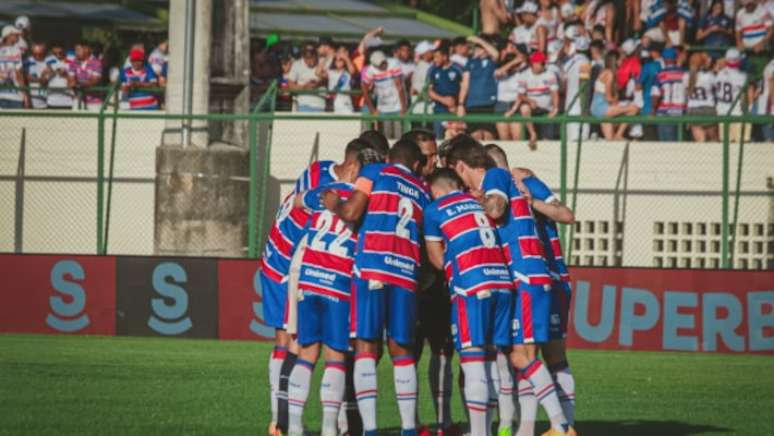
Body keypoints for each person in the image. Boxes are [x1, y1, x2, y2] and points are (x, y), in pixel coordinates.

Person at [446, 136, 574, 436]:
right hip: (523, 277)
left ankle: (561, 427)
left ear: (463, 165)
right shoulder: (509, 179)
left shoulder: (497, 176)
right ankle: (531, 428)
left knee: (525, 356)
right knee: (517, 356)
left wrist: (478, 201)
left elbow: (496, 208)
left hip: (527, 275)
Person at [262, 140, 370, 436]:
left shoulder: (324, 191)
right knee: (333, 354)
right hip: (325, 277)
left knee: (303, 350)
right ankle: (322, 429)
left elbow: (296, 202)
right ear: (357, 170)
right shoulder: (361, 201)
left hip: (306, 274)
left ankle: (290, 426)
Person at [323, 139, 430, 436]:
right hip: (406, 272)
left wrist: (333, 203)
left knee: (366, 348)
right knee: (402, 351)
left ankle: (370, 431)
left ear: (389, 157)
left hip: (373, 267)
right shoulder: (422, 189)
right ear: (416, 164)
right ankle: (409, 429)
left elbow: (352, 213)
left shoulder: (375, 172)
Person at [423, 168, 514, 436]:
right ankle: (502, 426)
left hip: (471, 285)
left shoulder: (435, 208)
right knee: (493, 359)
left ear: (436, 190)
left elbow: (436, 258)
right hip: (502, 283)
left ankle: (478, 433)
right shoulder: (478, 201)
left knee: (473, 361)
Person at [506, 51, 560, 149]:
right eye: (541, 63)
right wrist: (529, 101)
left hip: (546, 110)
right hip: (532, 109)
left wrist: (555, 109)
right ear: (534, 63)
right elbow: (521, 95)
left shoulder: (550, 74)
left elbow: (554, 93)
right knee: (524, 108)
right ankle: (532, 134)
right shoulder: (524, 75)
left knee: (547, 142)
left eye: (543, 63)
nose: (543, 65)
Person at [458, 35, 500, 141]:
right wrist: (461, 104)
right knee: (475, 136)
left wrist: (480, 40)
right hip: (472, 104)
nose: (476, 49)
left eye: (479, 47)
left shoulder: (492, 62)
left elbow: (496, 53)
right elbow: (465, 84)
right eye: (476, 46)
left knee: (488, 135)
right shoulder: (471, 62)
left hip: (489, 104)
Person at [591, 51, 639, 140]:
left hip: (596, 107)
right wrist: (616, 101)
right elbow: (608, 97)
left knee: (610, 140)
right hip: (602, 107)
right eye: (620, 60)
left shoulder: (604, 72)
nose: (622, 62)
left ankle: (616, 136)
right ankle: (619, 134)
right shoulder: (609, 74)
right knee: (634, 108)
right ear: (615, 60)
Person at [361, 50, 407, 138]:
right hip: (383, 108)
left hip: (397, 107)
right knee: (386, 137)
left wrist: (403, 107)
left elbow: (400, 87)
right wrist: (372, 109)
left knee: (399, 136)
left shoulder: (394, 64)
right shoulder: (371, 70)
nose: (383, 65)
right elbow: (364, 88)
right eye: (380, 64)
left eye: (384, 62)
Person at [715, 48, 755, 143]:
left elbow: (720, 64)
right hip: (736, 111)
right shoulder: (742, 76)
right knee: (738, 142)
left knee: (725, 142)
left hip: (721, 110)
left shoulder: (719, 74)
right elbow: (746, 97)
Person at [560, 26, 592, 142]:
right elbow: (583, 87)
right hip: (579, 110)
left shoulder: (569, 62)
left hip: (569, 107)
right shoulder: (585, 63)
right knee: (581, 143)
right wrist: (584, 110)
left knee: (570, 143)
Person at [428, 42, 464, 139]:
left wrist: (456, 104)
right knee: (439, 140)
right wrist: (444, 100)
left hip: (454, 112)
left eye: (436, 57)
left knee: (454, 139)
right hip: (439, 111)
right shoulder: (433, 69)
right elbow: (429, 91)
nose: (434, 60)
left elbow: (464, 87)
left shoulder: (457, 68)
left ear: (445, 57)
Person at [651, 47, 687, 141]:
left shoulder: (660, 75)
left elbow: (656, 95)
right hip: (681, 113)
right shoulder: (684, 73)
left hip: (665, 113)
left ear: (664, 60)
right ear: (675, 59)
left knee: (666, 147)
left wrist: (653, 110)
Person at [495, 48, 529, 140]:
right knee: (504, 139)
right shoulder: (502, 74)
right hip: (501, 106)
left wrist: (512, 110)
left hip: (516, 105)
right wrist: (513, 62)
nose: (515, 66)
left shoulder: (522, 74)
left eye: (517, 64)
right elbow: (497, 72)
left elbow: (520, 95)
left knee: (517, 138)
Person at [686, 51, 718, 142]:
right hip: (708, 108)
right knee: (713, 140)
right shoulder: (709, 76)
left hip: (693, 110)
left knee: (701, 141)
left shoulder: (685, 76)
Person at [288, 44, 326, 112]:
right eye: (307, 57)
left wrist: (319, 83)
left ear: (316, 54)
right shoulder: (297, 64)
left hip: (320, 105)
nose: (309, 60)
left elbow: (330, 79)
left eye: (311, 56)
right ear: (303, 56)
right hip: (303, 104)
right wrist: (304, 87)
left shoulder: (323, 62)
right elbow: (290, 85)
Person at [68, 42, 103, 110]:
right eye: (75, 50)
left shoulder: (96, 62)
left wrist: (78, 84)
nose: (76, 52)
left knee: (94, 120)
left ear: (86, 49)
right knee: (74, 120)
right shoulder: (73, 62)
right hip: (77, 99)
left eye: (78, 50)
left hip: (94, 101)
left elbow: (94, 81)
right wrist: (72, 82)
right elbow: (70, 80)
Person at [0, 25, 28, 109]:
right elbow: (19, 73)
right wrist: (24, 94)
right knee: (17, 120)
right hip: (15, 95)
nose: (18, 37)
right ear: (9, 35)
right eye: (16, 35)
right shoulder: (16, 51)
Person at [326, 47, 355, 113]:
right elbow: (317, 72)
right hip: (333, 102)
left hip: (345, 101)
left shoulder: (347, 73)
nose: (338, 61)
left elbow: (352, 71)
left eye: (340, 60)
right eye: (336, 60)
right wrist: (327, 57)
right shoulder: (331, 72)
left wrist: (346, 57)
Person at [24, 42, 51, 109]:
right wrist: (41, 77)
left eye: (40, 54)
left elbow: (45, 80)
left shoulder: (49, 62)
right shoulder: (28, 61)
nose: (37, 56)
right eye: (35, 54)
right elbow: (25, 77)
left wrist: (37, 79)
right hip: (31, 99)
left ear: (44, 52)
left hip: (46, 100)